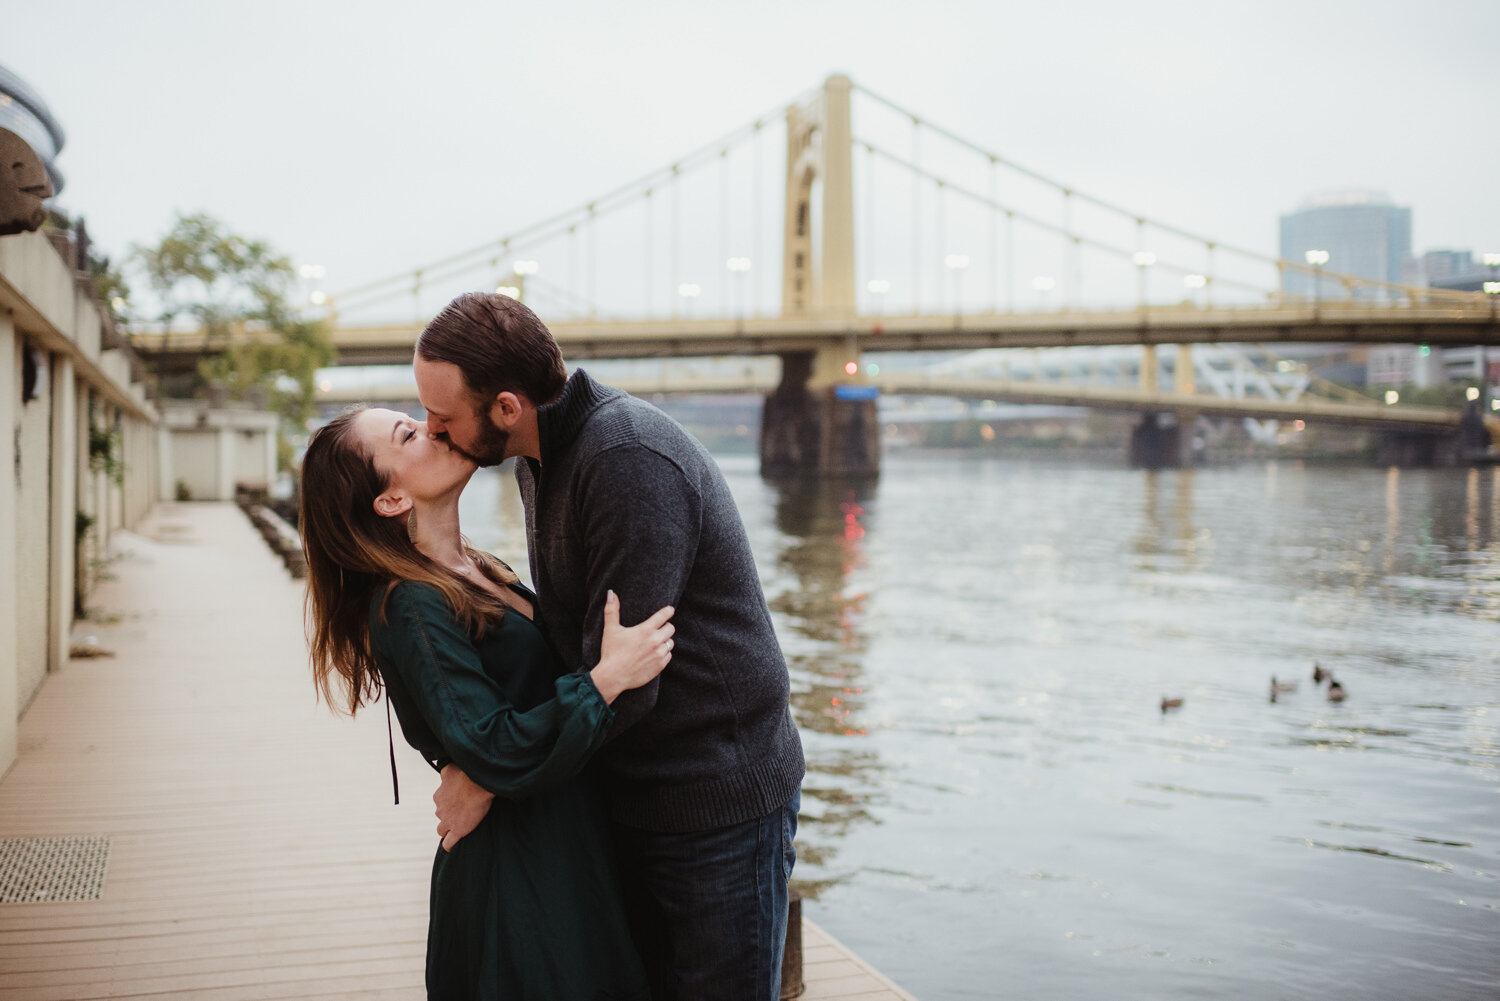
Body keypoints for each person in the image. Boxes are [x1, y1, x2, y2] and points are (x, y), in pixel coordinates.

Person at [413, 292, 806, 1001]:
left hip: (714, 801)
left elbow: (629, 682)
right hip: (632, 794)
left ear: (506, 408)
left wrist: (491, 779)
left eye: (444, 417)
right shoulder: (541, 458)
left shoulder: (626, 460)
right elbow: (586, 659)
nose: (433, 430)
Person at [299, 405, 678, 1001]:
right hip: (518, 875)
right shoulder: (411, 603)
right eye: (409, 435)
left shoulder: (479, 568)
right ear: (390, 500)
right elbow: (490, 743)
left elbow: (485, 736)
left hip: (567, 844)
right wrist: (606, 680)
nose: (435, 428)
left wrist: (476, 774)